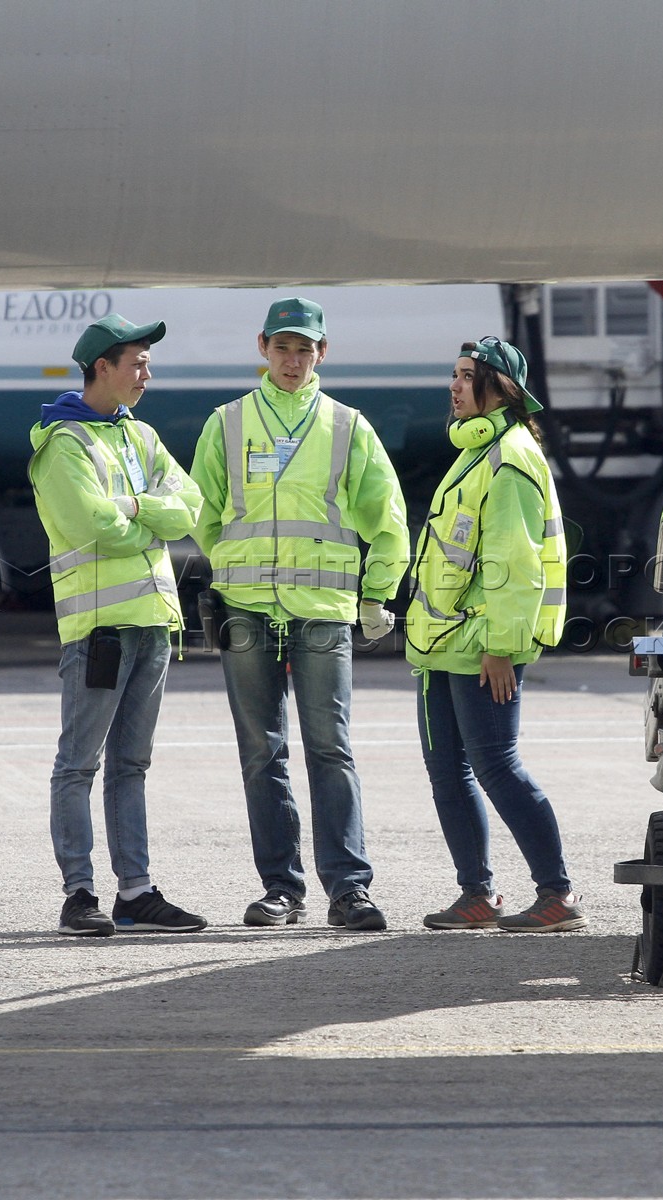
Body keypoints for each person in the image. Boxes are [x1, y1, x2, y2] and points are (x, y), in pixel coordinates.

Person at [190, 296, 410, 930]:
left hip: (322, 611)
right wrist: (237, 565)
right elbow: (201, 513)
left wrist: (376, 594)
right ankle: (281, 889)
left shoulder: (347, 427)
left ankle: (349, 889)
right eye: (282, 347)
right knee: (262, 751)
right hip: (246, 609)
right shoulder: (227, 424)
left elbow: (387, 520)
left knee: (330, 748)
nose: (292, 359)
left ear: (322, 353)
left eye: (304, 348)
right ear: (263, 348)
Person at [29, 313, 207, 936]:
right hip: (100, 629)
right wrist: (146, 514)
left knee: (130, 766)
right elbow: (92, 526)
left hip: (154, 624)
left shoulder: (142, 436)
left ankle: (135, 892)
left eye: (147, 364)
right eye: (136, 363)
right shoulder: (63, 445)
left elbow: (190, 506)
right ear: (101, 368)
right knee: (79, 764)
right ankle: (80, 894)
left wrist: (132, 507)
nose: (145, 373)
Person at [405, 337, 583, 932]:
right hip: (441, 644)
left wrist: (502, 647)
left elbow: (514, 562)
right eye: (452, 375)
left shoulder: (508, 457)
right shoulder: (478, 451)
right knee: (447, 771)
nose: (453, 386)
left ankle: (556, 896)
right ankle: (475, 895)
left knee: (497, 767)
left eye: (465, 377)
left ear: (499, 388)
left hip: (482, 647)